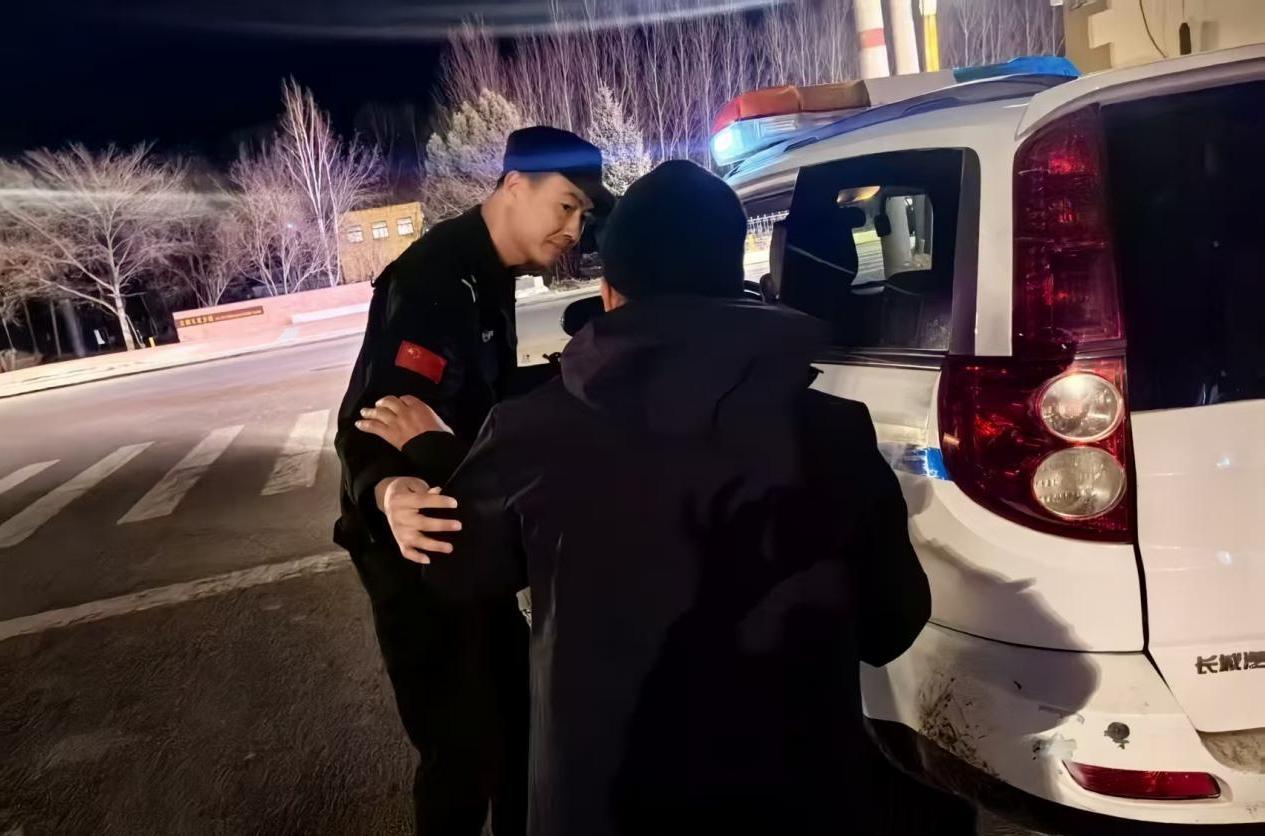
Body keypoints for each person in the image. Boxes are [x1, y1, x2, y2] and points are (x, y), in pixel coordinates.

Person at [369, 160, 932, 835]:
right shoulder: (833, 432)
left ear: (609, 293)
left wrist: (433, 455)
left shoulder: (532, 432)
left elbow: (456, 570)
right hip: (798, 801)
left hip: (601, 806)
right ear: (737, 281)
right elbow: (893, 624)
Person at [333, 126, 614, 835]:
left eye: (583, 215)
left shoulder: (489, 271)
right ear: (515, 186)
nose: (574, 229)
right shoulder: (434, 279)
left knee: (517, 721)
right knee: (458, 752)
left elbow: (478, 395)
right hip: (414, 546)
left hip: (467, 530)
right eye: (566, 206)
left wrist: (571, 381)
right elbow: (373, 420)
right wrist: (387, 492)